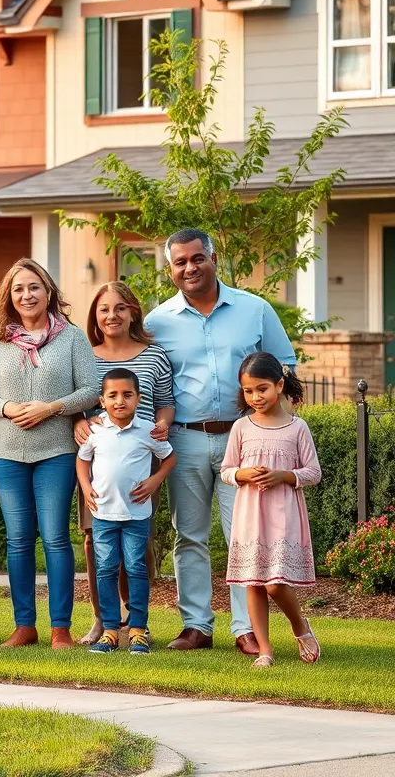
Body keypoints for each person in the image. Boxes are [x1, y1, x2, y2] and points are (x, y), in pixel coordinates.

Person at [145, 227, 298, 655]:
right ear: (171, 269)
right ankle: (196, 626)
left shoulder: (255, 309)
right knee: (188, 535)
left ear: (213, 258)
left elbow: (284, 363)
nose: (189, 267)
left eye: (197, 258)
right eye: (180, 262)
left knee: (243, 536)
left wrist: (270, 421)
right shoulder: (157, 323)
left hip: (243, 437)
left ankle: (245, 627)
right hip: (186, 438)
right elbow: (143, 377)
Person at [0, 258, 101, 649]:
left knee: (55, 539)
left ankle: (59, 628)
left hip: (57, 450)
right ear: (8, 298)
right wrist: (9, 408)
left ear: (48, 292)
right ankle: (24, 625)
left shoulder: (73, 337)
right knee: (18, 539)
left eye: (34, 287)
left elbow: (92, 390)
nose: (26, 295)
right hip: (8, 452)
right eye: (18, 289)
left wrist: (51, 407)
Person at [74, 281, 175, 646]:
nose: (111, 315)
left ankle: (137, 622)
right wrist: (79, 421)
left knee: (138, 543)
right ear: (95, 316)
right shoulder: (85, 353)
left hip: (141, 459)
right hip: (99, 457)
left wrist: (162, 424)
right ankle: (103, 620)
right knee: (94, 542)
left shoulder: (154, 354)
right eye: (103, 309)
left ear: (133, 311)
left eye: (119, 308)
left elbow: (165, 401)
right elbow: (78, 400)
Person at [221, 353, 321, 667]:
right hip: (250, 514)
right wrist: (242, 474)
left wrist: (284, 476)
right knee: (253, 581)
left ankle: (299, 625)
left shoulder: (297, 427)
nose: (255, 397)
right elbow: (226, 470)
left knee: (275, 583)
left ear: (279, 385)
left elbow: (313, 472)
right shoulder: (241, 427)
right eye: (248, 391)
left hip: (283, 514)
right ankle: (265, 649)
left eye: (262, 389)